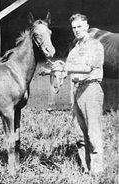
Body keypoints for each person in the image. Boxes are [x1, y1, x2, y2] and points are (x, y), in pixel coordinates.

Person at [52, 13, 105, 174]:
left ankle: (97, 172)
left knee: (93, 132)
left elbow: (88, 68)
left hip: (91, 89)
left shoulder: (95, 45)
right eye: (74, 27)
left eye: (79, 26)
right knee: (80, 134)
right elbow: (67, 69)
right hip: (77, 90)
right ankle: (85, 169)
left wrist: (65, 68)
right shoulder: (75, 49)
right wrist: (55, 69)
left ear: (87, 26)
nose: (76, 30)